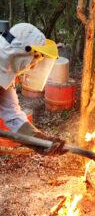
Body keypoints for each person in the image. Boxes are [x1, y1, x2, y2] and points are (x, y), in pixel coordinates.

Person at [0, 23, 65, 155]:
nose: (34, 67)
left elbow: (13, 116)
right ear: (20, 53)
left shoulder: (7, 73)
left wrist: (40, 141)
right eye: (34, 59)